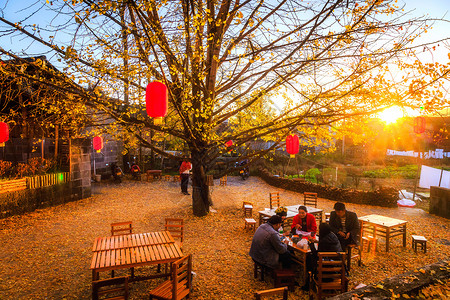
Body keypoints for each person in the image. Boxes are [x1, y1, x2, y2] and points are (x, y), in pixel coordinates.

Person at [302, 223, 342, 291]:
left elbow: (316, 254)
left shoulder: (323, 241)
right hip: (337, 266)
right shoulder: (332, 235)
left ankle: (308, 283)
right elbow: (326, 245)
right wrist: (317, 241)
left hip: (327, 267)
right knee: (311, 258)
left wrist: (311, 244)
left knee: (309, 258)